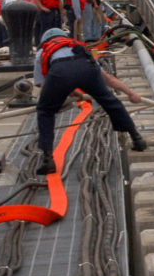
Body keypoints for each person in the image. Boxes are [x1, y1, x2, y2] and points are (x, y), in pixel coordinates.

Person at [34, 28, 148, 174]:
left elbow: (46, 86)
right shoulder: (78, 47)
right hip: (86, 68)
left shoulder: (42, 51)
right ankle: (137, 139)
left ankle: (47, 160)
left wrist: (65, 91)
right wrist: (131, 93)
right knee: (109, 101)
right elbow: (108, 79)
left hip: (60, 72)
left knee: (45, 110)